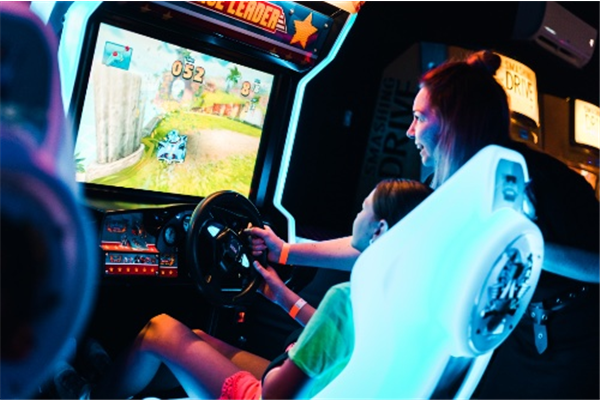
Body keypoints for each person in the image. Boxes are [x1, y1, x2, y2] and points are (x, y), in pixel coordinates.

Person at [248, 50, 599, 399]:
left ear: (452, 122)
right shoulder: (446, 185)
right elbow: (381, 246)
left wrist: (514, 241)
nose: (409, 131)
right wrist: (286, 252)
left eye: (419, 118)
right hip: (510, 329)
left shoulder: (540, 180)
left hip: (573, 337)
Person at [66, 178, 432, 399]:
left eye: (364, 209)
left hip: (273, 394)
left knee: (159, 330)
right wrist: (280, 296)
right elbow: (336, 338)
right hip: (316, 388)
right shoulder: (399, 295)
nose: (356, 214)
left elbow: (274, 397)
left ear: (379, 230)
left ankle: (89, 396)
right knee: (196, 338)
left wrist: (288, 358)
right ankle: (113, 383)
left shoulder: (344, 298)